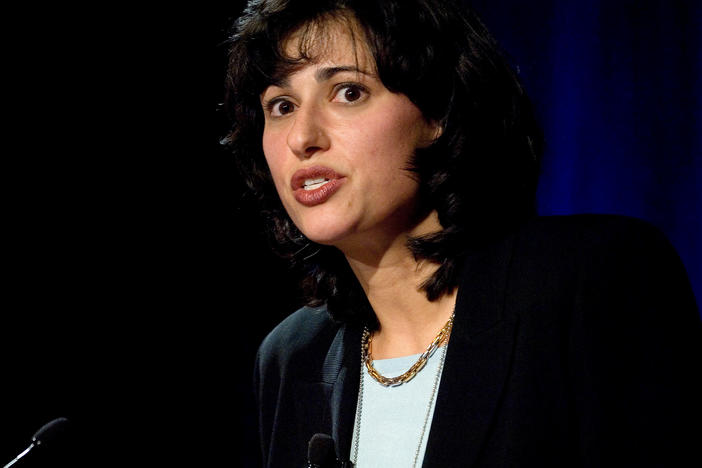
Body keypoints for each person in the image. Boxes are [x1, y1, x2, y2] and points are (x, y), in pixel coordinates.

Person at [224, 0, 701, 466]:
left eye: (348, 92)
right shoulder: (292, 355)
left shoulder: (592, 278)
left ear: (440, 113)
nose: (302, 137)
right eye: (281, 105)